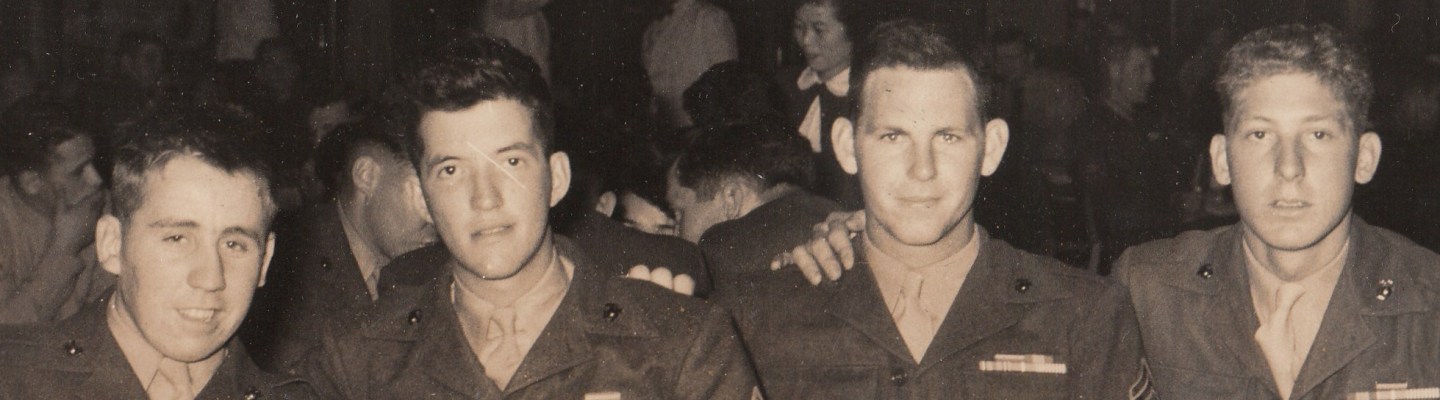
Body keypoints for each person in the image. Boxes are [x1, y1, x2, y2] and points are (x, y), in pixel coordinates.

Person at [302, 34, 757, 398]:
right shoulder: (358, 361)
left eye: (511, 162)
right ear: (422, 197)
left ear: (556, 178)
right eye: (451, 170)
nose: (485, 199)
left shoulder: (681, 345)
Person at [715, 20, 1145, 398]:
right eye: (892, 136)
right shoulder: (758, 319)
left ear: (991, 148)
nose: (922, 169)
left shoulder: (1083, 317)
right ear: (847, 146)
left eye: (947, 137)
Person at [1116, 23, 1440, 399]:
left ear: (1364, 158)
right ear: (1222, 160)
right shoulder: (1147, 293)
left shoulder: (1430, 308)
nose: (1289, 167)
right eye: (1260, 134)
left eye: (1318, 135)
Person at [0, 106, 314, 398]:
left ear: (264, 261)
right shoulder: (14, 380)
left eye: (234, 245)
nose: (210, 279)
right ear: (112, 244)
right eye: (177, 238)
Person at [243, 114, 438, 371]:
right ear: (366, 175)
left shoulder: (430, 264)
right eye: (424, 195)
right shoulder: (287, 264)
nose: (438, 217)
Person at [666, 120, 838, 288]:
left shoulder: (716, 255)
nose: (675, 233)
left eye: (679, 214)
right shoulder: (836, 220)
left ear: (731, 198)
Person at [0, 103, 108, 324]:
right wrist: (64, 249)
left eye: (93, 163)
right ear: (31, 182)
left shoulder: (98, 203)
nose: (96, 179)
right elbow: (6, 332)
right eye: (79, 171)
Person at [781, 0, 863, 208]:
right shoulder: (783, 86)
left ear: (851, 30)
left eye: (819, 29)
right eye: (799, 27)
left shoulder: (866, 95)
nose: (806, 40)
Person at [642, 0, 737, 128]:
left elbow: (728, 86)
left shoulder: (709, 17)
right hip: (662, 132)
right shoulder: (652, 29)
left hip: (702, 133)